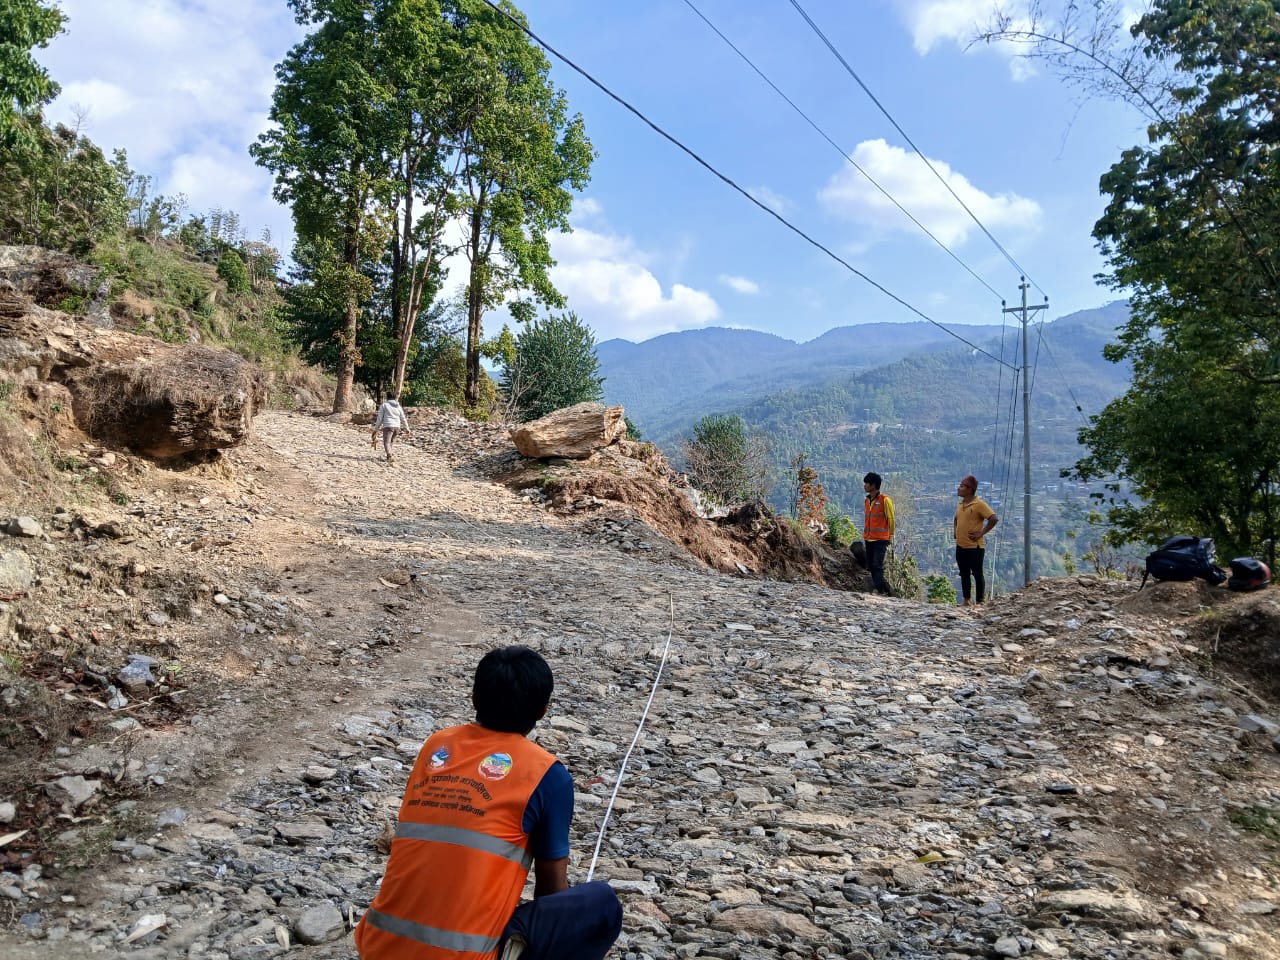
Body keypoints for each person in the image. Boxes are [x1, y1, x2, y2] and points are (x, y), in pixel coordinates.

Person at [355, 645, 622, 960]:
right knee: (601, 904)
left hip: (377, 946)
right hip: (466, 956)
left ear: (474, 698)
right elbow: (551, 892)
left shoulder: (437, 748)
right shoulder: (547, 775)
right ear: (542, 711)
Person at [954, 474, 998, 606]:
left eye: (961, 486)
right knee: (964, 573)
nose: (958, 488)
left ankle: (980, 601)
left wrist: (981, 533)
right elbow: (956, 518)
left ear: (969, 489)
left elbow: (993, 518)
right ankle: (967, 600)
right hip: (961, 545)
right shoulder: (961, 504)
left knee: (977, 574)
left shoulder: (979, 504)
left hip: (975, 547)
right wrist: (955, 531)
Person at [861, 471, 895, 596]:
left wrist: (890, 536)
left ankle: (879, 590)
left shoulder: (885, 500)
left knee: (877, 564)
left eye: (867, 484)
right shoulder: (867, 501)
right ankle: (879, 588)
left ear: (873, 485)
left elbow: (891, 519)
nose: (865, 486)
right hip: (869, 538)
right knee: (871, 565)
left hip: (881, 539)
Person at [371, 392, 412, 463]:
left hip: (388, 426)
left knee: (386, 442)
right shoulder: (398, 406)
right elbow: (403, 418)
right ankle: (389, 455)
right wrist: (407, 429)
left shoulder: (384, 405)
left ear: (387, 397)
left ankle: (390, 455)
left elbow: (380, 419)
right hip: (397, 427)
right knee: (391, 441)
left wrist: (376, 429)